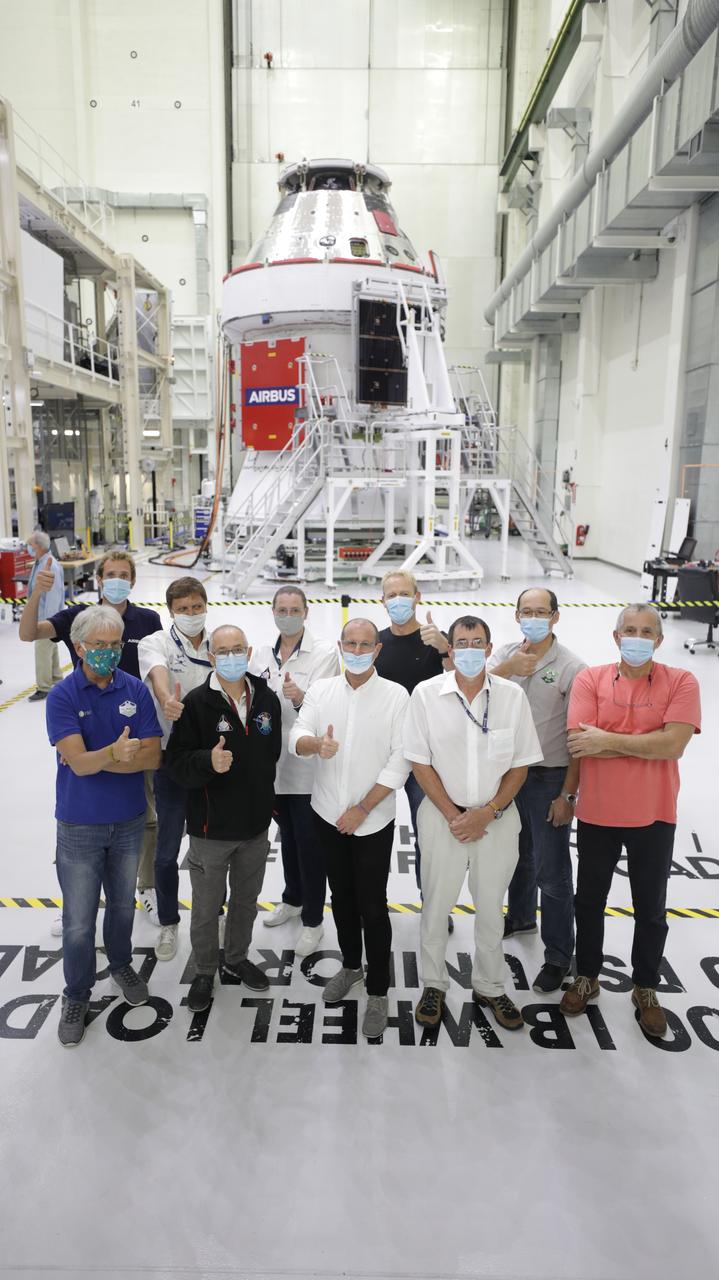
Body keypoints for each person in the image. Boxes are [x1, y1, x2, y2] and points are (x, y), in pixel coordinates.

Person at [561, 604, 701, 1038]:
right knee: (589, 900)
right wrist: (643, 741)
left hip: (654, 813)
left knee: (650, 908)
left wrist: (606, 739)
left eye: (646, 631)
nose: (637, 637)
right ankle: (587, 975)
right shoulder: (591, 679)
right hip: (599, 811)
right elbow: (579, 742)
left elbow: (673, 746)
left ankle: (645, 986)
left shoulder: (682, 681)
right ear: (615, 635)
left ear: (659, 640)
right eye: (629, 630)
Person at [404, 615, 543, 1031]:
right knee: (436, 904)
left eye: (476, 641)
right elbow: (418, 761)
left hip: (496, 818)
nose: (468, 649)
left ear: (488, 648)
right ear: (450, 647)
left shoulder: (511, 697)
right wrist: (453, 814)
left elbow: (520, 765)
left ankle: (490, 985)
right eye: (459, 641)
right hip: (441, 817)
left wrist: (490, 811)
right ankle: (433, 983)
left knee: (489, 908)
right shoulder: (426, 694)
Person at [20, 550, 163, 925]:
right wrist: (36, 592)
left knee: (145, 818)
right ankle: (76, 899)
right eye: (110, 573)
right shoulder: (75, 618)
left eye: (124, 573)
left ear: (133, 580)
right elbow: (28, 633)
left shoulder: (147, 619)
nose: (117, 578)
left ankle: (144, 887)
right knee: (78, 826)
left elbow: (158, 667)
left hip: (136, 729)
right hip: (86, 727)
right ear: (99, 579)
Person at [45, 605, 163, 1047]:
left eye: (115, 646)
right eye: (100, 646)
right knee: (77, 922)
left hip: (130, 822)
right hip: (79, 826)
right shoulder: (63, 696)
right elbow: (76, 763)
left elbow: (152, 756)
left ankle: (120, 965)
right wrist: (114, 754)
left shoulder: (134, 689)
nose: (109, 654)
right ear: (78, 647)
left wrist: (98, 759)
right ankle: (76, 994)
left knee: (121, 908)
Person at [289, 618, 409, 1040]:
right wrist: (312, 745)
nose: (357, 650)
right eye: (350, 643)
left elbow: (400, 760)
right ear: (340, 646)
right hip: (326, 814)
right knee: (341, 899)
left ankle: (378, 990)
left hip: (372, 820)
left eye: (365, 644)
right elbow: (300, 732)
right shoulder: (322, 691)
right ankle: (351, 967)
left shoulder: (396, 696)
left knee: (373, 906)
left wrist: (362, 808)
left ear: (377, 650)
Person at [165, 624, 282, 1013]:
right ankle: (204, 970)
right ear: (212, 657)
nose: (231, 657)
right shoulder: (196, 704)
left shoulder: (266, 698)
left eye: (238, 650)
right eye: (223, 651)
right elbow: (177, 765)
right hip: (210, 830)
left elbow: (271, 754)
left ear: (249, 654)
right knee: (206, 907)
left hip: (254, 827)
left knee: (246, 902)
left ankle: (236, 958)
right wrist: (207, 762)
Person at [488, 588, 585, 992]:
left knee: (552, 871)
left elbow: (578, 738)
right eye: (525, 611)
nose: (532, 617)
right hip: (510, 773)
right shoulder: (505, 654)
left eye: (540, 612)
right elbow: (472, 685)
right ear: (515, 615)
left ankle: (559, 955)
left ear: (555, 617)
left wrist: (567, 796)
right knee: (517, 855)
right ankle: (522, 916)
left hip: (548, 776)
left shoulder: (572, 668)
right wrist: (509, 667)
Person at [249, 585, 339, 956]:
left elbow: (324, 707)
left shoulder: (324, 654)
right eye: (281, 608)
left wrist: (300, 697)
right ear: (272, 611)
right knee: (286, 836)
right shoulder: (260, 655)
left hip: (305, 767)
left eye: (294, 609)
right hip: (273, 767)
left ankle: (314, 920)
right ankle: (292, 898)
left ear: (306, 612)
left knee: (310, 844)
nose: (287, 614)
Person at [374, 569, 454, 930]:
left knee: (430, 836)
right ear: (382, 600)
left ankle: (435, 906)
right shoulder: (374, 643)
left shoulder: (436, 642)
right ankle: (372, 904)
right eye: (391, 594)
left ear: (418, 596)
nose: (398, 600)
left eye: (404, 593)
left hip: (428, 757)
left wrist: (446, 649)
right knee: (374, 832)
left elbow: (459, 685)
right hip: (384, 753)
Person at [138, 577, 213, 962]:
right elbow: (157, 672)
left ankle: (212, 916)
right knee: (167, 851)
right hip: (171, 760)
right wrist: (167, 699)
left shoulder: (220, 643)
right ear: (171, 611)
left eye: (196, 607)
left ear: (206, 606)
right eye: (183, 609)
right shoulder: (157, 642)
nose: (190, 614)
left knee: (214, 848)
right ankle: (169, 922)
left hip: (215, 761)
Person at [24, 531, 65, 702]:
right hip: (40, 615)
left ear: (38, 546)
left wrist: (48, 624)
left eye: (30, 545)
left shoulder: (50, 566)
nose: (28, 548)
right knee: (50, 649)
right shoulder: (39, 562)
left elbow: (53, 597)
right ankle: (56, 677)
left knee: (42, 650)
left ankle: (44, 687)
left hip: (45, 618)